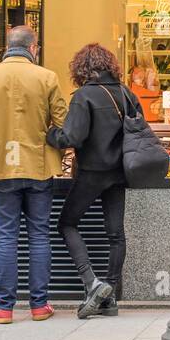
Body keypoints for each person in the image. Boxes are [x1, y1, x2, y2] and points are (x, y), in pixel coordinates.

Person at [0, 26, 68, 324]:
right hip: (38, 166)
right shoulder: (46, 77)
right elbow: (62, 124)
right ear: (33, 48)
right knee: (39, 235)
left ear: (6, 47)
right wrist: (56, 153)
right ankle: (39, 306)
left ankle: (3, 307)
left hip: (0, 166)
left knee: (6, 236)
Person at [47, 44, 137, 319]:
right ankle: (109, 294)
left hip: (91, 172)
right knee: (115, 234)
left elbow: (70, 137)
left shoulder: (84, 96)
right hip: (120, 172)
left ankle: (92, 282)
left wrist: (50, 133)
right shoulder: (126, 93)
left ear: (80, 68)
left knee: (67, 223)